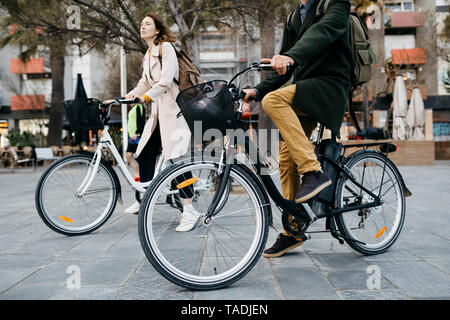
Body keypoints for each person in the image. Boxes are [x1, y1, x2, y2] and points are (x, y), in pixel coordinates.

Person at [243, 0, 352, 257]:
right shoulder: (294, 17)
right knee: (286, 158)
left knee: (274, 100)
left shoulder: (335, 4)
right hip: (305, 90)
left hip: (330, 86)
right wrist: (257, 90)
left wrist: (291, 56)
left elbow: (322, 32)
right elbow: (285, 69)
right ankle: (293, 229)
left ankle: (314, 172)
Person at [124, 12, 199, 231]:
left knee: (176, 161)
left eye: (147, 23)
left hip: (175, 112)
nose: (142, 26)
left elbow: (166, 80)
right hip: (158, 114)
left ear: (157, 30)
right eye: (141, 23)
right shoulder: (148, 55)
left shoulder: (165, 48)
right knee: (145, 152)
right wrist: (128, 95)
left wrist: (145, 97)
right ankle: (144, 200)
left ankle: (189, 210)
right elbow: (143, 83)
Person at [124, 103, 145, 214]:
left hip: (136, 136)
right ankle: (138, 175)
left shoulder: (138, 107)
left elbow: (141, 121)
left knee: (129, 155)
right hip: (131, 135)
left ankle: (138, 175)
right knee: (129, 155)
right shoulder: (133, 108)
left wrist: (137, 133)